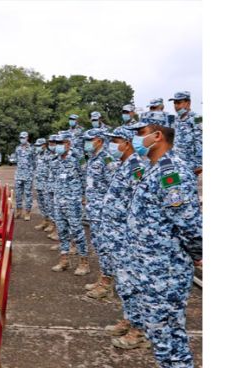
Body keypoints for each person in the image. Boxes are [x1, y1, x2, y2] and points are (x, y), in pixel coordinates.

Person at [123, 111, 202, 367]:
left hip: (165, 272)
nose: (135, 138)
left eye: (139, 133)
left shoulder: (172, 172)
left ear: (157, 136)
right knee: (161, 336)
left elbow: (190, 224)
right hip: (152, 269)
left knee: (169, 338)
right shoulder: (153, 168)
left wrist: (198, 254)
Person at [94, 126, 150, 350]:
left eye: (115, 141)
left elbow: (140, 203)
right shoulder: (123, 165)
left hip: (127, 235)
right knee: (124, 284)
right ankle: (129, 320)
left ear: (127, 143)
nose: (111, 145)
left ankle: (139, 331)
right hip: (116, 234)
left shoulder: (136, 167)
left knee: (132, 282)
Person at [81, 128, 116, 298]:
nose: (87, 142)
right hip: (93, 211)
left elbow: (114, 186)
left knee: (105, 246)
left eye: (90, 139)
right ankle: (103, 278)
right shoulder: (93, 157)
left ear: (100, 141)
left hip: (103, 211)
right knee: (98, 245)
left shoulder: (107, 158)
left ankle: (107, 284)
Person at [50, 133, 90, 275]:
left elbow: (85, 177)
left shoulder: (77, 159)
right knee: (62, 231)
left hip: (73, 201)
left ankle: (83, 262)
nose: (58, 145)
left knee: (77, 232)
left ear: (68, 143)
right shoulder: (55, 161)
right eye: (57, 143)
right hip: (58, 201)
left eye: (61, 142)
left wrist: (84, 195)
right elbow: (54, 180)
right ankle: (64, 260)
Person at [169, 91, 203, 176]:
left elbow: (200, 140)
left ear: (188, 103)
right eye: (175, 103)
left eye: (179, 103)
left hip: (190, 163)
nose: (176, 106)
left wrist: (199, 163)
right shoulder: (175, 120)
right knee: (174, 187)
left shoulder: (197, 118)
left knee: (187, 187)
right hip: (176, 161)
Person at [14, 132, 35, 220]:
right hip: (19, 175)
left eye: (24, 137)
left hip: (28, 175)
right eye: (21, 137)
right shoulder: (17, 148)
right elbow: (16, 160)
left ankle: (27, 212)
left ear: (27, 138)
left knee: (28, 194)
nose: (22, 139)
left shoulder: (32, 149)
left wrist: (31, 172)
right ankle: (19, 211)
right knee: (18, 194)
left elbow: (35, 162)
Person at [33, 138, 52, 231]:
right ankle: (45, 221)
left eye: (39, 145)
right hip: (39, 183)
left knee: (48, 204)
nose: (37, 147)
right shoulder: (37, 155)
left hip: (46, 184)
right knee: (41, 204)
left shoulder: (49, 155)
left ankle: (52, 223)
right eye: (36, 146)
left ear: (44, 145)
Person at [44, 135, 59, 241]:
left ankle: (58, 231)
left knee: (57, 210)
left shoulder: (59, 155)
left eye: (53, 143)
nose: (51, 145)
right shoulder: (49, 155)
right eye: (50, 143)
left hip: (57, 188)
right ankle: (53, 227)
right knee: (51, 208)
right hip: (49, 185)